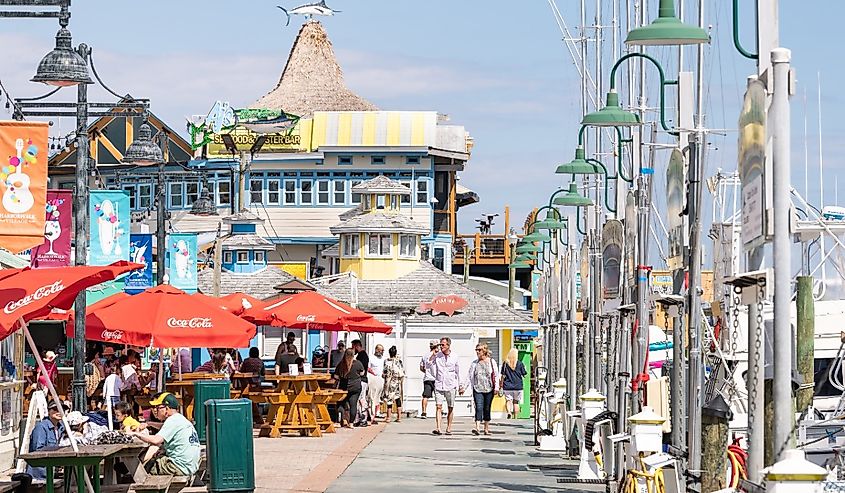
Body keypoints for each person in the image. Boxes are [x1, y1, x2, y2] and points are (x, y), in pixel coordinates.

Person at [129, 392, 200, 477]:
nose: (155, 410)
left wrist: (135, 434)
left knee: (146, 466)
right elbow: (164, 427)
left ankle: (129, 473)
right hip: (190, 466)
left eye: (157, 408)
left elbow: (156, 440)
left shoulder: (172, 420)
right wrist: (149, 423)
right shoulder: (180, 419)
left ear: (166, 409)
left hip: (179, 467)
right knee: (157, 452)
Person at [27, 400, 67, 480]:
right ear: (49, 411)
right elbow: (37, 450)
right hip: (39, 474)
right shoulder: (41, 427)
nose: (59, 412)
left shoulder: (61, 427)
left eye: (62, 409)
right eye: (55, 409)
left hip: (51, 472)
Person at [466, 342, 497, 436]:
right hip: (478, 388)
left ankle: (486, 428)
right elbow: (469, 376)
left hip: (489, 388)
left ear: (484, 351)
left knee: (487, 408)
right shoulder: (474, 363)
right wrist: (464, 386)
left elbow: (496, 374)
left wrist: (497, 387)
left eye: (479, 350)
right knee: (479, 407)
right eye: (476, 350)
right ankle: (477, 428)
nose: (477, 352)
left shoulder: (491, 362)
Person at [431, 337, 461, 436]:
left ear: (448, 345)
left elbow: (457, 371)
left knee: (450, 407)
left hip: (450, 384)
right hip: (439, 384)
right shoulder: (437, 356)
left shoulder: (455, 356)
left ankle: (449, 427)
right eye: (440, 344)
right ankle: (438, 428)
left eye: (443, 345)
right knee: (438, 406)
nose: (441, 346)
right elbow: (428, 364)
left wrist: (459, 385)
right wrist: (433, 354)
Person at [332, 349, 364, 428]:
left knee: (340, 404)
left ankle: (339, 421)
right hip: (356, 387)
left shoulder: (341, 364)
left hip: (344, 387)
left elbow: (336, 376)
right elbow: (362, 373)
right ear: (353, 355)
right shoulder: (358, 364)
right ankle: (351, 423)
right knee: (353, 405)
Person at [500, 348, 528, 419]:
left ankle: (509, 412)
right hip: (518, 386)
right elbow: (524, 374)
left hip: (507, 386)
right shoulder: (520, 363)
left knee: (508, 401)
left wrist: (501, 384)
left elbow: (503, 375)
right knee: (516, 402)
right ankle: (515, 417)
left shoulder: (505, 364)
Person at [381, 346, 405, 423]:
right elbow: (402, 372)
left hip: (389, 382)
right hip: (397, 381)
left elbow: (384, 372)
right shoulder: (399, 362)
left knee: (389, 399)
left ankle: (388, 417)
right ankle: (399, 417)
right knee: (398, 398)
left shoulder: (386, 361)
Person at [419, 340, 438, 419]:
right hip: (436, 378)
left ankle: (424, 412)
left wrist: (427, 371)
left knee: (425, 396)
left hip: (427, 378)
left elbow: (421, 367)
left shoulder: (425, 355)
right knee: (438, 395)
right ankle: (440, 410)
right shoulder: (438, 356)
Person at [367, 344, 385, 423]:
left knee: (378, 397)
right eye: (381, 350)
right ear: (377, 350)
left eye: (383, 350)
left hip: (381, 379)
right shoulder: (371, 358)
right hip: (373, 379)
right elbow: (368, 367)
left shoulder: (383, 359)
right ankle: (372, 413)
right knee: (372, 397)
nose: (382, 352)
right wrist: (372, 372)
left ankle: (377, 411)